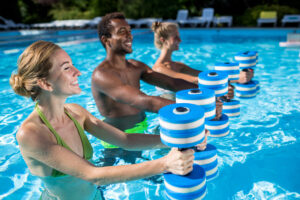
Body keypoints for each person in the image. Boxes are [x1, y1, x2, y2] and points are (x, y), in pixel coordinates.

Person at [10, 40, 195, 200]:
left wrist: (180, 140)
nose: (78, 72)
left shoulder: (75, 112)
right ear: (45, 83)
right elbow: (94, 175)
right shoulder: (31, 133)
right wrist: (165, 163)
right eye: (67, 68)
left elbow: (125, 140)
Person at [93, 12, 208, 149]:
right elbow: (146, 101)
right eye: (122, 31)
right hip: (118, 141)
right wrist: (194, 110)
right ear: (106, 40)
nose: (129, 35)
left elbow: (172, 83)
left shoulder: (136, 66)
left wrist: (207, 96)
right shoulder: (102, 75)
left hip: (143, 129)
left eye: (129, 31)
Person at [151, 21, 253, 97]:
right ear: (163, 40)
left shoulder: (178, 65)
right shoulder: (159, 69)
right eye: (175, 37)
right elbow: (192, 80)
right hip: (171, 117)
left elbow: (206, 75)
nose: (180, 40)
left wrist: (234, 77)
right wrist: (234, 80)